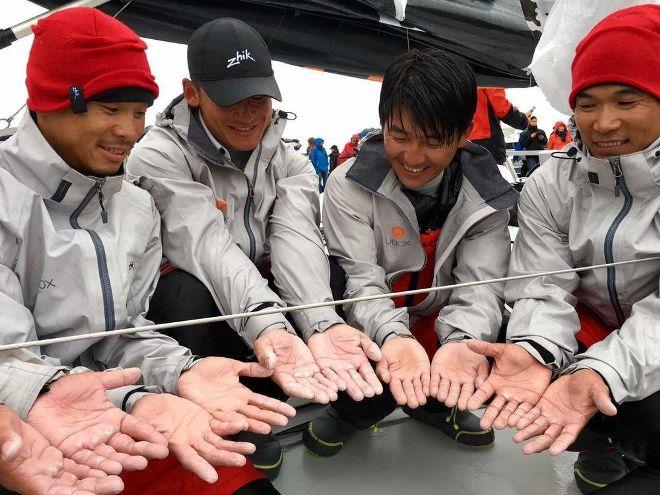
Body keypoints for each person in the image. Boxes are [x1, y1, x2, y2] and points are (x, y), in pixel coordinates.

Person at [0, 9, 296, 495]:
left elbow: (123, 333)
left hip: (120, 413)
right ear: (52, 99)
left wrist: (180, 370)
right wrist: (83, 395)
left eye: (138, 112)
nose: (129, 131)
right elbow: (10, 360)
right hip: (25, 437)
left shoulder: (134, 205)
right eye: (110, 108)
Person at [127, 17, 383, 479]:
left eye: (260, 98)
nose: (249, 114)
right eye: (232, 98)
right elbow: (205, 245)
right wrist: (271, 327)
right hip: (198, 285)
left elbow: (296, 240)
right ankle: (233, 413)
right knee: (185, 297)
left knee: (331, 277)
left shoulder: (291, 160)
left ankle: (273, 399)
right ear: (192, 92)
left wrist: (319, 322)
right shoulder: (158, 154)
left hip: (259, 285)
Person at [466, 5, 660, 494]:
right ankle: (610, 443)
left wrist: (603, 370)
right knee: (535, 377)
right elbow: (543, 284)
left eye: (627, 99)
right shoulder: (551, 184)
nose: (605, 122)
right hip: (598, 327)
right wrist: (534, 351)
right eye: (588, 103)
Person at [305, 49, 518, 457]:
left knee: (490, 340)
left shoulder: (490, 197)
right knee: (339, 296)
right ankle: (353, 411)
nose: (413, 157)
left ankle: (438, 406)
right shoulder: (346, 186)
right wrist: (393, 337)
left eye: (434, 141)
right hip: (375, 318)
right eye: (399, 136)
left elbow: (481, 287)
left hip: (441, 319)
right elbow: (359, 281)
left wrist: (464, 342)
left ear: (461, 136)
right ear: (383, 125)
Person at [468, 87, 533, 164]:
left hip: (459, 142)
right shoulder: (488, 79)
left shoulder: (455, 78)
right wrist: (523, 120)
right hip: (486, 142)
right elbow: (502, 109)